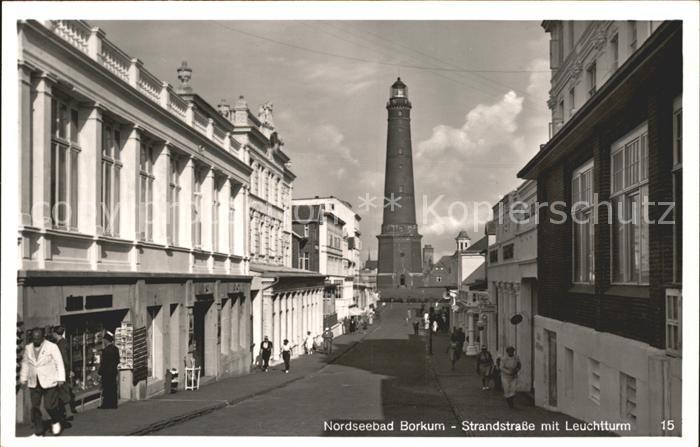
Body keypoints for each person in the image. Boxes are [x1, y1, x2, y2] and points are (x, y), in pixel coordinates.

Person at [20, 328, 66, 437]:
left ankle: (55, 420)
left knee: (49, 406)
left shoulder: (52, 347)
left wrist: (61, 378)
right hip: (34, 381)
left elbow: (59, 363)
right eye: (34, 338)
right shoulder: (28, 348)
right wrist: (23, 377)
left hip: (49, 380)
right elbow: (26, 363)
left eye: (38, 338)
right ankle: (39, 432)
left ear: (43, 337)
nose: (35, 340)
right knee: (35, 407)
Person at [53, 326, 77, 422]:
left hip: (61, 372)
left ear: (56, 334)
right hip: (64, 371)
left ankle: (67, 412)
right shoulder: (64, 342)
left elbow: (64, 360)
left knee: (62, 392)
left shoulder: (61, 345)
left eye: (53, 333)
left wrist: (66, 371)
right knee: (63, 392)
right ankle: (66, 412)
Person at [98, 331, 120, 409]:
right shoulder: (116, 349)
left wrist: (100, 372)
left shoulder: (106, 350)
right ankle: (113, 404)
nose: (103, 341)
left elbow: (104, 363)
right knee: (113, 388)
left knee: (107, 388)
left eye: (104, 340)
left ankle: (106, 404)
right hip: (113, 371)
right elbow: (118, 361)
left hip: (106, 373)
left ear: (106, 340)